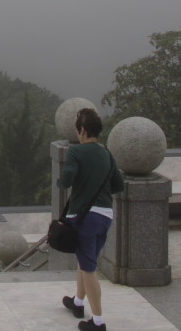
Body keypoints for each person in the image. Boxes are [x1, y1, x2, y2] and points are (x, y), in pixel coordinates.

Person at [58, 107, 124, 331]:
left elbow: (66, 180)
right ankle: (77, 303)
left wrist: (65, 181)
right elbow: (118, 185)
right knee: (86, 261)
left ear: (83, 131)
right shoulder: (106, 153)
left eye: (78, 130)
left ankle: (98, 321)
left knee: (88, 269)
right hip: (105, 216)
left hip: (85, 218)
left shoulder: (76, 152)